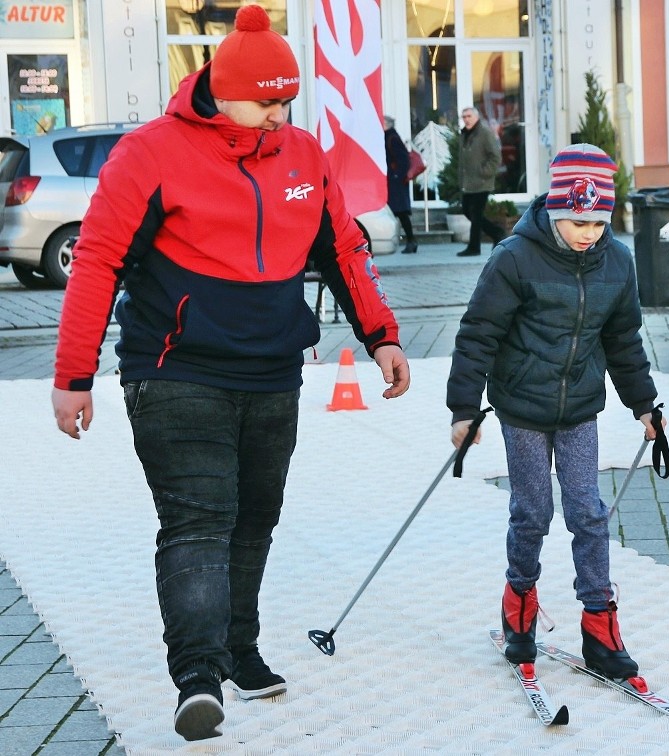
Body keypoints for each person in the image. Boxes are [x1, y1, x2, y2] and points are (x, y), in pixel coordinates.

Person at [51, 4, 410, 743]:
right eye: (268, 99)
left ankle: (239, 648)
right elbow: (97, 262)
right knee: (198, 522)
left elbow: (343, 251)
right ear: (223, 89)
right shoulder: (150, 153)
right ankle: (198, 678)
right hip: (173, 371)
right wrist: (72, 374)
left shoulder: (304, 156)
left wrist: (382, 336)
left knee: (255, 519)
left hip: (273, 372)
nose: (280, 113)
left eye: (288, 99)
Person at [446, 144, 664, 680]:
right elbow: (479, 334)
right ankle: (519, 603)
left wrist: (644, 404)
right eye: (577, 220)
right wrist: (463, 408)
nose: (588, 231)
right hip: (521, 407)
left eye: (598, 220)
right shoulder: (516, 258)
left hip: (580, 409)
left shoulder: (617, 262)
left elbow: (624, 341)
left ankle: (599, 622)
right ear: (556, 211)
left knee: (588, 511)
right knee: (533, 511)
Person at [456, 106, 506, 257]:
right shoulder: (465, 134)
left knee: (476, 215)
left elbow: (496, 156)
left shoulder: (484, 133)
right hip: (469, 183)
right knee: (467, 211)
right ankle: (497, 232)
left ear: (476, 117)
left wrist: (485, 172)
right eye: (464, 117)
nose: (466, 119)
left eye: (469, 116)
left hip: (482, 182)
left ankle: (474, 247)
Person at [384, 115, 418, 254]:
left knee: (401, 213)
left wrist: (396, 176)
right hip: (394, 181)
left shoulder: (392, 138)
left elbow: (403, 160)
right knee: (398, 212)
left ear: (386, 124)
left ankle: (411, 240)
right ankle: (410, 240)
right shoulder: (390, 136)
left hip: (396, 183)